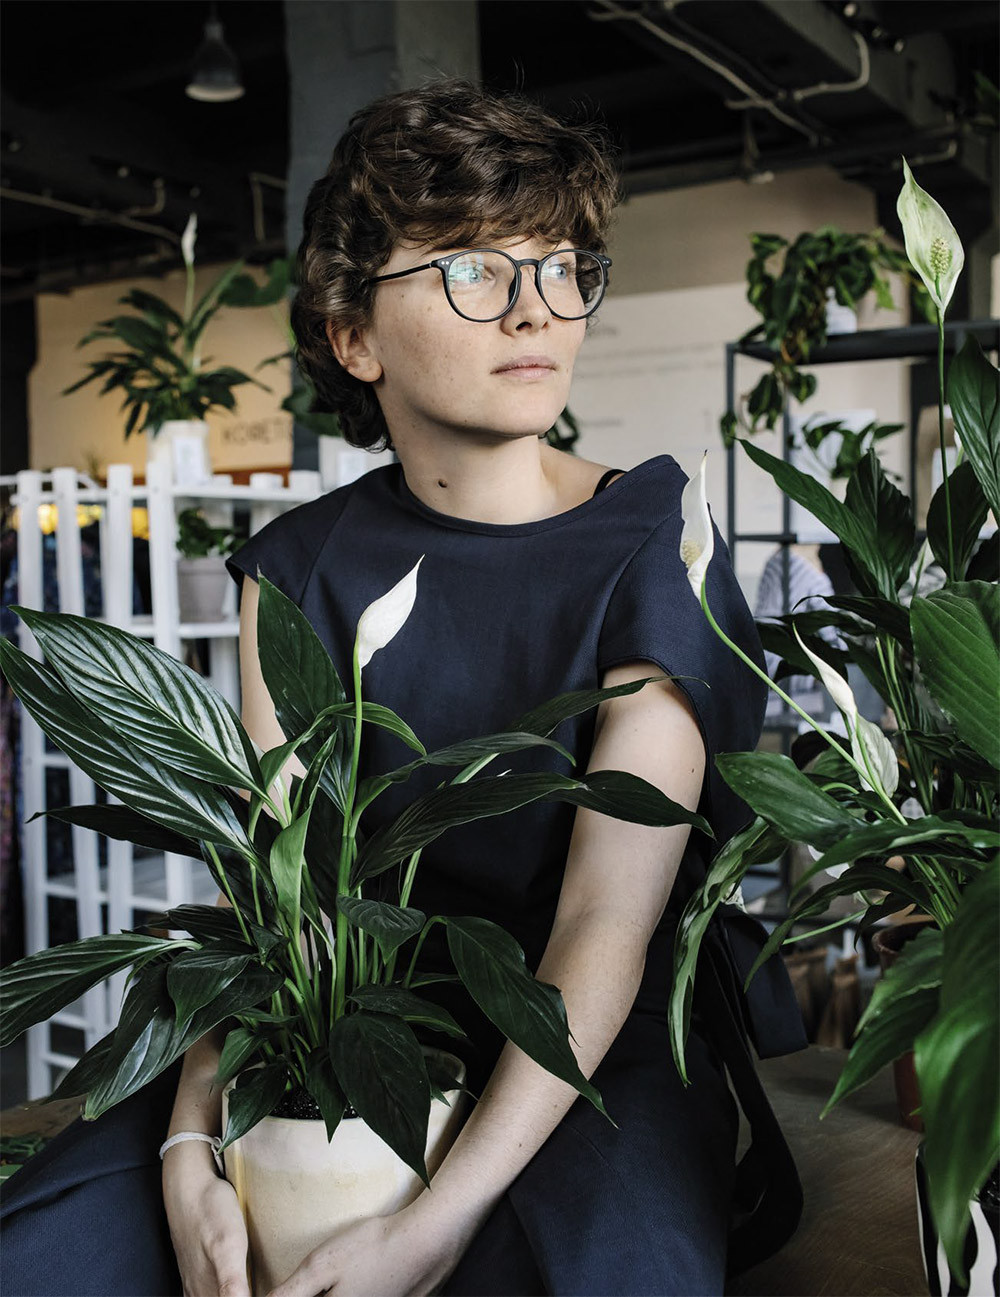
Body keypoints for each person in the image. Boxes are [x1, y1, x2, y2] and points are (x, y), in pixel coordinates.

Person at [0, 79, 806, 1297]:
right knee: (46, 1255)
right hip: (341, 1021)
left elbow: (604, 921)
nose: (535, 308)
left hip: (590, 1039)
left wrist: (436, 1217)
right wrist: (190, 1148)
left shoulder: (654, 540)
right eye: (473, 270)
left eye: (560, 266)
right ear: (353, 336)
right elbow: (272, 908)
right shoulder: (299, 567)